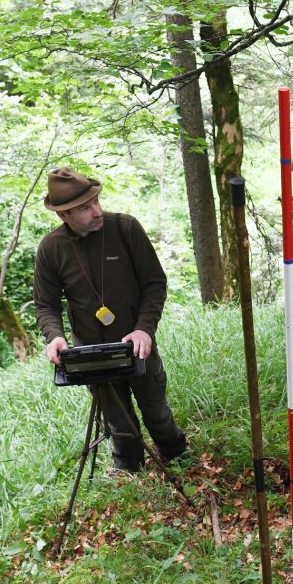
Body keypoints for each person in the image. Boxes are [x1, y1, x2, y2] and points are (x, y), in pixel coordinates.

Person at [34, 167, 187, 472]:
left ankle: (177, 455)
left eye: (96, 202)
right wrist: (55, 337)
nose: (96, 211)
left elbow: (154, 283)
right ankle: (129, 467)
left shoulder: (125, 228)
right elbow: (45, 305)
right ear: (64, 216)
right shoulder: (51, 249)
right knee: (116, 418)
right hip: (91, 353)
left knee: (155, 409)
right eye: (84, 208)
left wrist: (144, 329)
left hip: (137, 346)